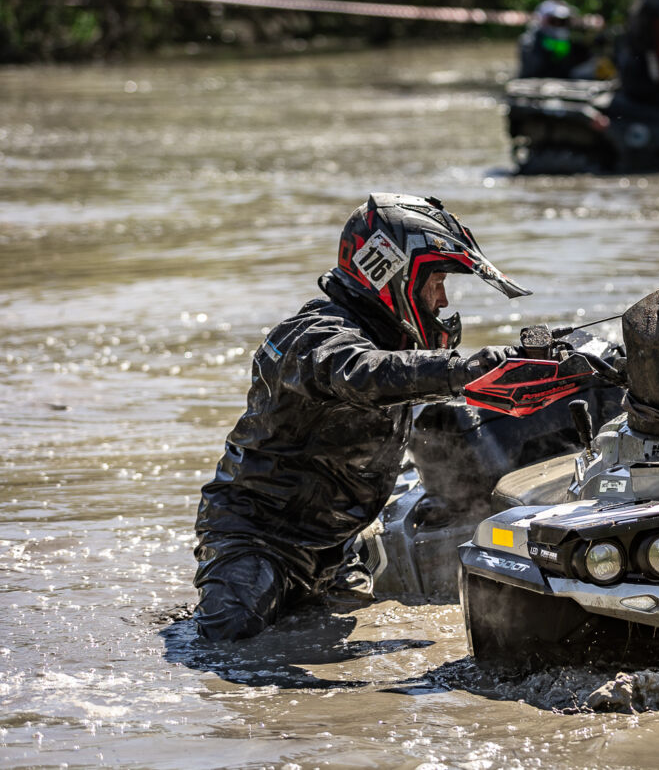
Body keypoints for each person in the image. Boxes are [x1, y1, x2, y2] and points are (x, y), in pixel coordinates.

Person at [191, 193, 531, 642]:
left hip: (336, 551)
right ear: (390, 273)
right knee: (228, 651)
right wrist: (463, 370)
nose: (443, 299)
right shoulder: (312, 337)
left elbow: (414, 384)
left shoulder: (393, 347)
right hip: (256, 542)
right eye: (436, 282)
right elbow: (362, 372)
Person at [516, 0, 596, 79]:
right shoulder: (529, 42)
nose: (558, 25)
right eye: (554, 21)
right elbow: (532, 70)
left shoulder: (573, 42)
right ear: (543, 20)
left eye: (563, 21)